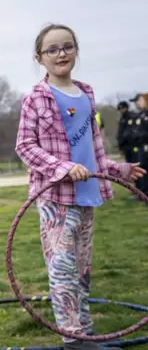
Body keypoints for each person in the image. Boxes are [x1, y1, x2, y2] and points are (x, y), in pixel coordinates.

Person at [15, 23, 145, 350]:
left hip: (87, 194)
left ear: (76, 51)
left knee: (81, 269)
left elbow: (92, 148)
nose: (61, 54)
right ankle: (72, 338)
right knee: (62, 268)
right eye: (53, 49)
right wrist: (61, 168)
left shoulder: (86, 93)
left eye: (68, 47)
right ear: (39, 57)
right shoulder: (36, 98)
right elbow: (25, 146)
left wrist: (117, 169)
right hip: (56, 197)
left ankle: (83, 329)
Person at [128, 94, 148, 195]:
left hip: (145, 145)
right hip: (139, 146)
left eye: (140, 100)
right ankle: (142, 191)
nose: (137, 103)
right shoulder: (139, 115)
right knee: (141, 167)